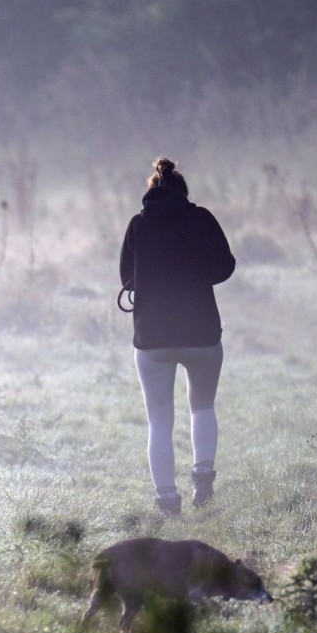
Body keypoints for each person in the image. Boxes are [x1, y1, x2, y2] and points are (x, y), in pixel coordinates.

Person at [119, 157, 236, 515]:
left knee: (160, 421)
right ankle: (203, 481)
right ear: (184, 192)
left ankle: (168, 501)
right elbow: (225, 266)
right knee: (202, 407)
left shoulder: (138, 225)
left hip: (153, 336)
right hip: (201, 332)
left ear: (151, 190)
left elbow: (126, 277)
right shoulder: (201, 219)